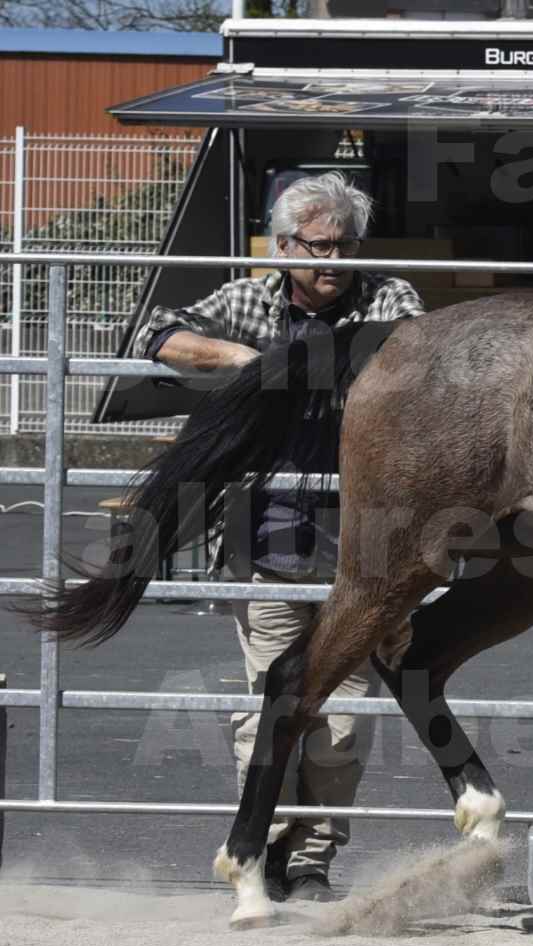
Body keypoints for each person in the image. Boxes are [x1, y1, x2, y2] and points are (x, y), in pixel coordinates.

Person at [131, 172, 425, 902]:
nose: (333, 262)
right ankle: (259, 849)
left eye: (345, 246)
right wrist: (247, 363)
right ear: (283, 244)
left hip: (365, 543)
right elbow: (151, 332)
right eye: (318, 247)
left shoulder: (388, 297)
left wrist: (307, 367)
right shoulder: (247, 299)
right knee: (270, 702)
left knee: (342, 720)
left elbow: (416, 355)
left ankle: (314, 858)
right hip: (260, 539)